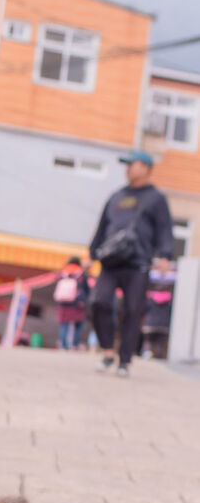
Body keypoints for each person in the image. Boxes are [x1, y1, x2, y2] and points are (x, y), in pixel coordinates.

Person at [89, 150, 175, 376]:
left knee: (132, 311)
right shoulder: (116, 196)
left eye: (132, 164)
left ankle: (124, 360)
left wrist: (165, 255)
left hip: (138, 263)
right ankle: (108, 351)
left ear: (146, 168)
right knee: (100, 302)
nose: (128, 169)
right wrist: (92, 254)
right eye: (126, 165)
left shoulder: (156, 198)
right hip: (111, 261)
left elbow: (164, 228)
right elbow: (102, 227)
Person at [141, 261, 176, 359]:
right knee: (158, 341)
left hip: (153, 320)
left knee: (151, 340)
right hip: (160, 321)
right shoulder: (169, 298)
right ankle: (157, 355)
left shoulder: (150, 296)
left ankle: (149, 354)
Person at [53, 256, 89, 350]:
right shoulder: (81, 274)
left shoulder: (63, 273)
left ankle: (63, 345)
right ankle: (75, 343)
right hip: (77, 303)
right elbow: (86, 289)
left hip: (63, 302)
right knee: (78, 324)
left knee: (64, 324)